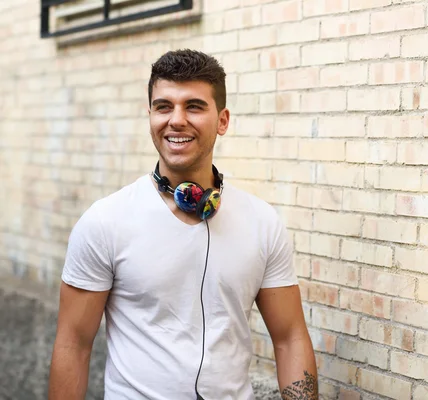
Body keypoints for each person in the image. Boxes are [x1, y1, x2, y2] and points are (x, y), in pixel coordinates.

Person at [48, 49, 318, 400]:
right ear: (150, 116)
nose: (176, 120)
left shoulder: (262, 222)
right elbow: (73, 345)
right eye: (163, 106)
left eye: (193, 106)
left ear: (222, 120)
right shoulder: (104, 222)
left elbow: (290, 337)